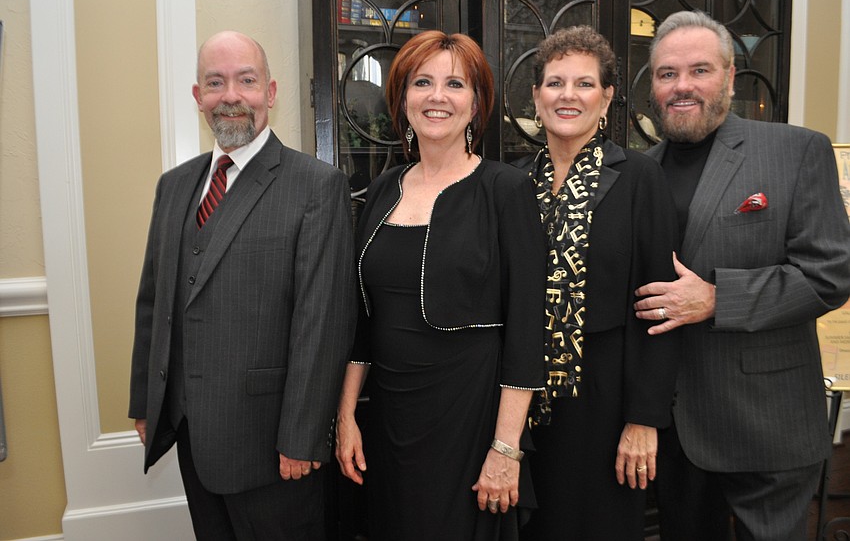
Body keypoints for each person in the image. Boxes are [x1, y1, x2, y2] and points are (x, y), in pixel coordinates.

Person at [128, 31, 356, 539]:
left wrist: (300, 437)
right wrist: (147, 401)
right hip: (191, 433)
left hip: (271, 446)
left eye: (246, 80)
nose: (230, 95)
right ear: (198, 97)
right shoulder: (174, 186)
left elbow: (322, 324)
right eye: (215, 82)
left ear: (270, 92)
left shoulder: (317, 186)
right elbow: (154, 301)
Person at [635, 10, 850, 541]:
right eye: (667, 74)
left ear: (730, 77)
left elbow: (830, 273)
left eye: (699, 70)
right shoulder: (640, 171)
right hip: (676, 429)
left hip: (766, 425)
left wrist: (717, 299)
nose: (682, 86)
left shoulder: (797, 150)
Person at [334, 30, 547, 541]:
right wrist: (345, 416)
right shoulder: (384, 188)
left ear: (476, 105)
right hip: (389, 417)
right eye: (422, 82)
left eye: (455, 83)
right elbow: (361, 317)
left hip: (469, 417)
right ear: (402, 99)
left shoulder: (505, 189)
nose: (437, 97)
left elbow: (525, 330)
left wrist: (505, 449)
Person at [512, 26, 681, 540]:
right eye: (554, 82)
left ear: (607, 98)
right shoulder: (512, 182)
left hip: (606, 408)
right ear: (537, 96)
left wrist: (644, 419)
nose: (567, 95)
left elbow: (661, 305)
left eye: (584, 84)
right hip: (521, 408)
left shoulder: (639, 178)